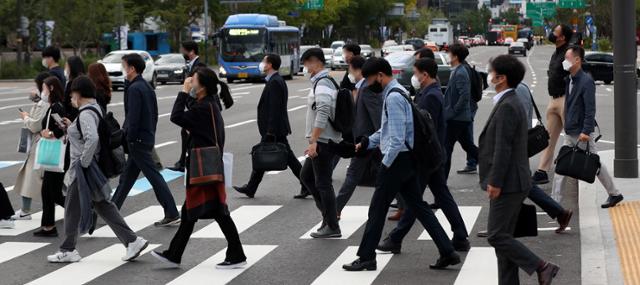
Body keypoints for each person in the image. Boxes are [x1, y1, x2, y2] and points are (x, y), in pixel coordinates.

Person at [343, 58, 460, 272]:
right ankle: (447, 251)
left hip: (396, 162)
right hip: (406, 160)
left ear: (380, 75)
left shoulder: (393, 97)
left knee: (377, 210)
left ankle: (367, 257)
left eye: (370, 80)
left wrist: (386, 165)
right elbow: (389, 131)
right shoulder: (397, 93)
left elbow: (396, 139)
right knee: (420, 207)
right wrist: (368, 142)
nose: (369, 84)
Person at [152, 67, 247, 269]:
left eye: (193, 81)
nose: (190, 82)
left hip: (204, 167)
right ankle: (174, 253)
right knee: (193, 212)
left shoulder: (204, 109)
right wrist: (188, 94)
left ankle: (236, 254)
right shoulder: (209, 104)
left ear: (202, 87)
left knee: (215, 212)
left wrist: (183, 91)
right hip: (207, 166)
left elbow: (176, 116)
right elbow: (191, 109)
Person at [47, 76, 148, 263]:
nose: (70, 98)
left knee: (72, 208)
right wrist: (72, 128)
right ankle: (133, 241)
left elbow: (92, 138)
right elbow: (88, 135)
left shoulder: (85, 113)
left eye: (71, 94)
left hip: (83, 168)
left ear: (78, 93)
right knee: (102, 205)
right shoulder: (94, 109)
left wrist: (83, 163)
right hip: (88, 167)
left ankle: (68, 249)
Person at [479, 55, 559, 285]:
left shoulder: (508, 105)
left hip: (509, 182)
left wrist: (495, 181)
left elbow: (503, 148)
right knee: (504, 238)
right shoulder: (507, 101)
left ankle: (542, 266)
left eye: (491, 71)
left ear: (501, 78)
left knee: (496, 235)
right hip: (514, 180)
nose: (489, 74)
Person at [377, 58, 470, 253]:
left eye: (416, 73)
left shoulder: (430, 97)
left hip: (426, 155)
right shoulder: (429, 93)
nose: (414, 77)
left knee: (415, 200)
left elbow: (424, 129)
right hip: (434, 153)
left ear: (425, 75)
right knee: (441, 196)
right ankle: (460, 235)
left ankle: (396, 238)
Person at [476, 82, 573, 237]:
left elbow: (517, 121)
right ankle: (560, 213)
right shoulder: (517, 88)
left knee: (506, 183)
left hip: (515, 147)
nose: (492, 78)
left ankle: (497, 227)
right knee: (524, 184)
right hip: (517, 145)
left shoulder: (517, 90)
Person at [111, 53, 180, 226]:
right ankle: (112, 210)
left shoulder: (135, 89)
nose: (123, 69)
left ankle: (171, 211)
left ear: (132, 68)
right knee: (127, 179)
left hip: (137, 141)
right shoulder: (144, 86)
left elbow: (132, 118)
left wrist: (130, 139)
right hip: (145, 138)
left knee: (153, 177)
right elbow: (154, 114)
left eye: (124, 66)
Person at [551, 46, 624, 208]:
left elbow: (590, 109)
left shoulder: (586, 81)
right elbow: (569, 105)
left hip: (581, 132)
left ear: (577, 60)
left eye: (567, 58)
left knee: (594, 163)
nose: (565, 61)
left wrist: (586, 131)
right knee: (561, 167)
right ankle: (555, 203)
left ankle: (615, 193)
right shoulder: (570, 79)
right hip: (571, 131)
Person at [233, 54, 306, 198]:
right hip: (275, 128)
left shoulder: (275, 82)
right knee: (284, 157)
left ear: (270, 65)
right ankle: (251, 188)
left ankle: (308, 184)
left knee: (268, 155)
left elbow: (275, 108)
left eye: (264, 61)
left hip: (274, 129)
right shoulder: (275, 80)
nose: (262, 64)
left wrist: (270, 130)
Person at [299, 48, 342, 238]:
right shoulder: (323, 81)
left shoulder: (323, 82)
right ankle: (328, 216)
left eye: (307, 63)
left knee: (323, 183)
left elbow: (323, 111)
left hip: (324, 141)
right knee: (307, 177)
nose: (305, 67)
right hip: (323, 140)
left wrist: (314, 140)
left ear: (315, 62)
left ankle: (332, 225)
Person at [335, 55, 383, 216]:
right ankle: (406, 205)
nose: (349, 73)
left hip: (368, 140)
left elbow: (376, 117)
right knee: (385, 174)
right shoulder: (361, 87)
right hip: (369, 140)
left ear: (357, 70)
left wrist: (378, 139)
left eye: (350, 69)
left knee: (352, 175)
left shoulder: (367, 89)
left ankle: (335, 210)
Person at [532, 24, 573, 185]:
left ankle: (579, 168)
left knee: (572, 138)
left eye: (555, 32)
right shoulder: (556, 53)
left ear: (562, 37)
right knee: (547, 138)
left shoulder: (568, 53)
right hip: (554, 99)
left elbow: (573, 75)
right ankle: (542, 171)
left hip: (565, 100)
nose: (551, 34)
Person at [11, 72, 51, 220]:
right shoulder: (46, 102)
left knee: (32, 178)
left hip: (40, 145)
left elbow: (35, 125)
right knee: (48, 179)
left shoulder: (45, 104)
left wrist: (25, 117)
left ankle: (25, 211)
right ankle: (25, 210)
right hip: (42, 145)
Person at [34, 76, 68, 237]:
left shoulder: (57, 108)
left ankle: (83, 210)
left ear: (52, 89)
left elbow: (63, 128)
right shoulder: (54, 106)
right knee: (49, 192)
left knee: (51, 192)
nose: (43, 91)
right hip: (54, 156)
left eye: (44, 88)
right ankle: (48, 226)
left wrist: (51, 133)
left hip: (56, 155)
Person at [444, 43, 478, 178]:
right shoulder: (457, 70)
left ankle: (442, 180)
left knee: (447, 148)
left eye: (449, 53)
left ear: (455, 56)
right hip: (460, 118)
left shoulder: (461, 72)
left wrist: (452, 112)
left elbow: (465, 96)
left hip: (457, 119)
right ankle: (492, 166)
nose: (448, 55)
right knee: (468, 146)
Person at [169, 41, 201, 172]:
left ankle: (185, 162)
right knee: (185, 133)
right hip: (192, 105)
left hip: (196, 106)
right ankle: (183, 161)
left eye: (184, 50)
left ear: (191, 51)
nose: (182, 53)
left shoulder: (199, 66)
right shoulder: (191, 65)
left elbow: (198, 90)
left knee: (188, 134)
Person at [63, 56, 85, 121]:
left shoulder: (72, 83)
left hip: (72, 117)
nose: (65, 69)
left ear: (72, 68)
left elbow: (66, 102)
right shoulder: (85, 80)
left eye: (67, 67)